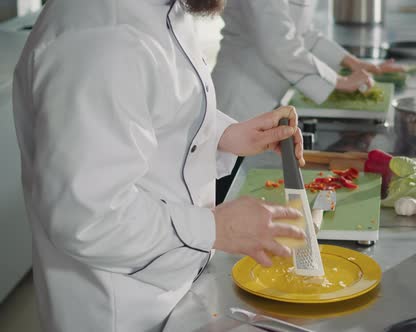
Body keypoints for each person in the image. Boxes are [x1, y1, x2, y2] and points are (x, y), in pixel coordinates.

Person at [12, 0, 306, 331]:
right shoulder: (101, 39)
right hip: (121, 311)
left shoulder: (162, 9)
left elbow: (156, 111)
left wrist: (225, 135)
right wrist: (216, 228)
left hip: (171, 289)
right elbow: (88, 217)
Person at [212, 0, 404, 122]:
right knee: (227, 180)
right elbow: (278, 44)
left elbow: (303, 32)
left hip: (269, 96)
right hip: (240, 98)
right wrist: (339, 81)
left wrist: (353, 62)